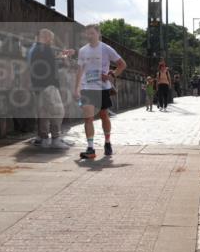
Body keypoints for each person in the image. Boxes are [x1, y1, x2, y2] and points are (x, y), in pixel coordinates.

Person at [73, 24, 126, 159]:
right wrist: (76, 88)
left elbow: (122, 64)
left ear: (98, 34)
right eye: (87, 34)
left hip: (102, 88)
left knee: (104, 116)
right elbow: (79, 71)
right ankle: (90, 148)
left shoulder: (106, 49)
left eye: (92, 33)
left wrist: (112, 75)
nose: (89, 36)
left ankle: (107, 142)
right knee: (88, 118)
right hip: (87, 88)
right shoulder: (83, 51)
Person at [27, 28, 72, 148]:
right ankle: (56, 139)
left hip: (38, 86)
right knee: (57, 111)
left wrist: (62, 55)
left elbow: (51, 60)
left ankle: (43, 138)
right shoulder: (45, 49)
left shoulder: (33, 49)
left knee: (44, 113)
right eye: (51, 39)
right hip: (49, 85)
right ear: (46, 37)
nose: (52, 41)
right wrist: (64, 56)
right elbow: (56, 63)